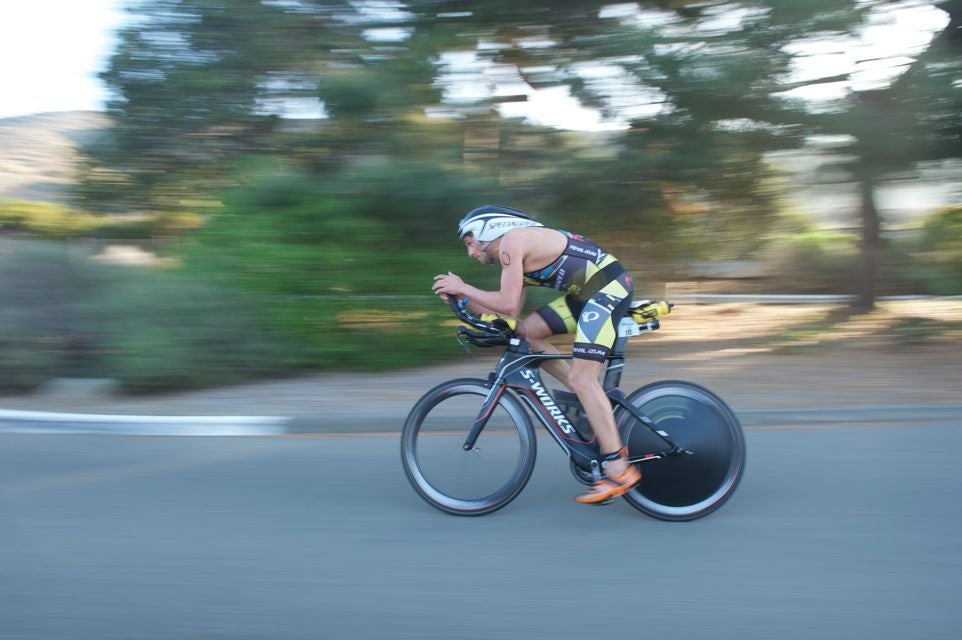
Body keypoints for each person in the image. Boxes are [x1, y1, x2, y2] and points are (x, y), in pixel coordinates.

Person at [432, 205, 641, 504]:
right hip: (588, 294)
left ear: (485, 231)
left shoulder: (511, 243)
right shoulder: (517, 253)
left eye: (469, 243)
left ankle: (619, 468)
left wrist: (464, 286)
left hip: (608, 289)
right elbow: (511, 313)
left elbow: (504, 304)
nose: (470, 253)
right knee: (526, 334)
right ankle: (590, 402)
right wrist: (463, 299)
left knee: (584, 380)